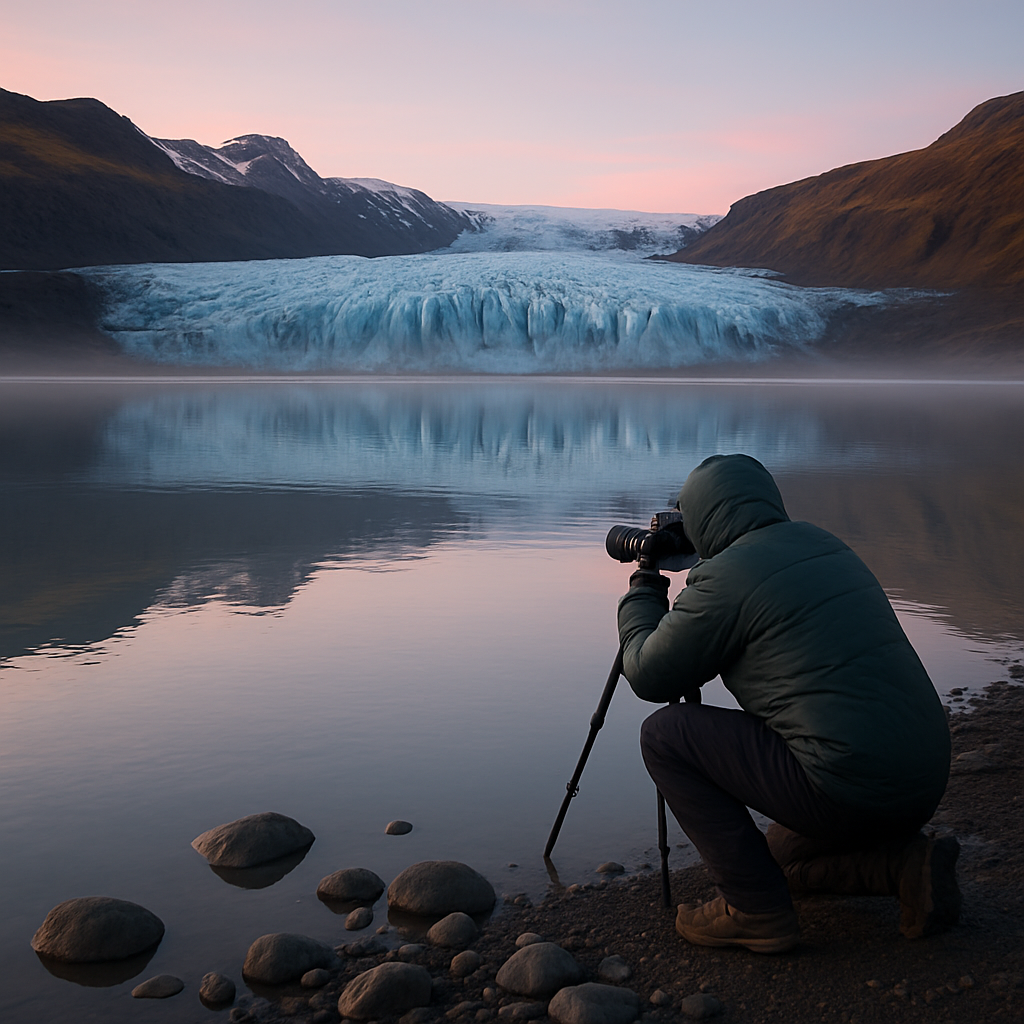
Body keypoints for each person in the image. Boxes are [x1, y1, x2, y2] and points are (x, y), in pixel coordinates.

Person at [617, 454, 959, 954]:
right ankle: (908, 868)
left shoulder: (728, 577)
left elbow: (648, 673)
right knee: (777, 857)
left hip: (848, 784)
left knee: (665, 735)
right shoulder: (823, 542)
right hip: (921, 781)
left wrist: (643, 591)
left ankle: (756, 913)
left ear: (703, 518)